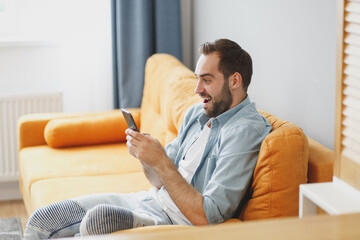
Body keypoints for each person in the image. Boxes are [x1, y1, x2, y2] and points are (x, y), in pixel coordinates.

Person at [23, 39, 272, 239]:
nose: (197, 89)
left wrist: (161, 161)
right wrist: (146, 157)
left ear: (235, 80)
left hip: (175, 221)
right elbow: (157, 181)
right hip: (149, 200)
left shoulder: (245, 131)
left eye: (206, 80)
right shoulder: (199, 112)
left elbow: (208, 215)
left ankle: (131, 224)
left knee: (93, 224)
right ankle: (125, 221)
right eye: (197, 78)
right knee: (42, 221)